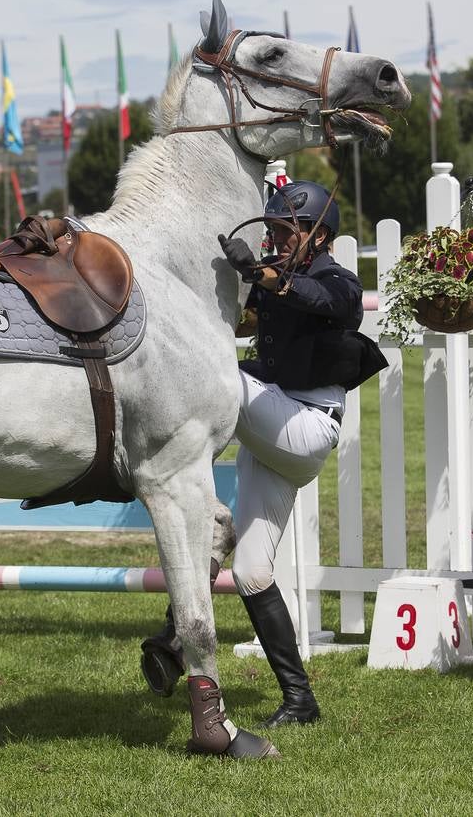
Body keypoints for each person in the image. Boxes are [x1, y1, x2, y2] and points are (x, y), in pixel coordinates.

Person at [140, 180, 386, 728]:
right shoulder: (277, 281)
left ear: (318, 235)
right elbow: (242, 321)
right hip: (271, 429)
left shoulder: (337, 279)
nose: (273, 238)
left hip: (302, 427)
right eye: (270, 230)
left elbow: (324, 301)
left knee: (218, 377)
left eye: (283, 230)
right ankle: (301, 700)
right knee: (252, 573)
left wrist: (261, 274)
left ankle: (179, 628)